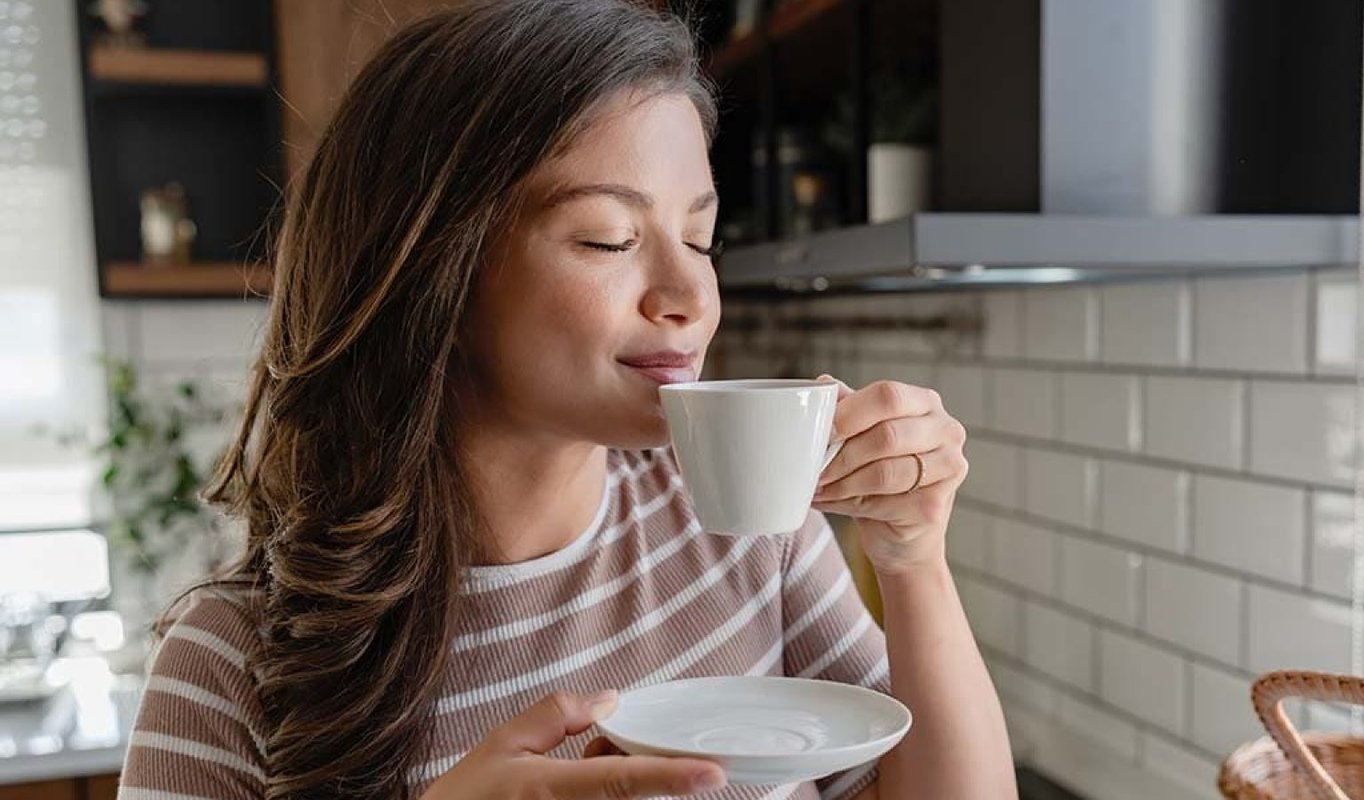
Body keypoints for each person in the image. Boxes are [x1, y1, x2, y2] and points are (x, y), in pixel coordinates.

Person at [118, 1, 1012, 797]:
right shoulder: (229, 664)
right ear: (439, 278)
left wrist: (914, 560)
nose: (691, 296)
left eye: (699, 237)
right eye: (608, 238)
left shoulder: (742, 539)